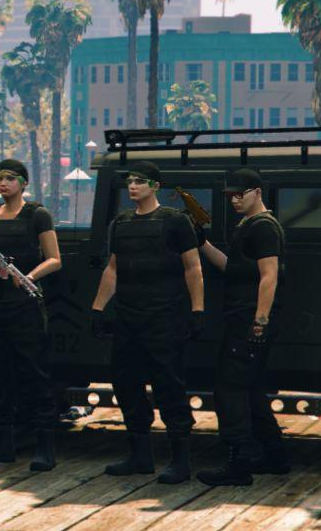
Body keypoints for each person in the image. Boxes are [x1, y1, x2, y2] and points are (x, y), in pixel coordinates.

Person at [89, 159, 206, 482]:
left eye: (140, 180)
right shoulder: (121, 222)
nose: (133, 185)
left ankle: (180, 461)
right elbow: (113, 269)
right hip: (128, 317)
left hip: (163, 318)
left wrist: (197, 310)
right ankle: (140, 455)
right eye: (130, 180)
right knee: (126, 385)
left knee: (168, 385)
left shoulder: (175, 221)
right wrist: (98, 309)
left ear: (155, 186)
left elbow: (193, 267)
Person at [0, 158, 62, 470]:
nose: (2, 183)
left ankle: (45, 448)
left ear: (23, 183)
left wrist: (29, 276)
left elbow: (54, 259)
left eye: (9, 178)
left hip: (23, 305)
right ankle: (2, 444)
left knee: (33, 373)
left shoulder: (37, 215)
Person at [195, 168, 287, 486]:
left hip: (248, 320)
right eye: (230, 195)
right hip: (247, 318)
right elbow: (232, 268)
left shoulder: (262, 226)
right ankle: (275, 456)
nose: (234, 199)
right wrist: (202, 243)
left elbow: (269, 275)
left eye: (240, 194)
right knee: (250, 389)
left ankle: (238, 466)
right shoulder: (250, 225)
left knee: (229, 390)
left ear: (257, 192)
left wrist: (259, 321)